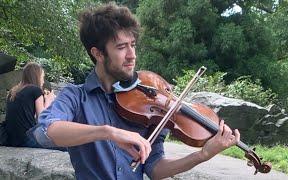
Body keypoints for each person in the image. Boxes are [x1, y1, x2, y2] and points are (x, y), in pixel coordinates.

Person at [30, 2, 240, 180]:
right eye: (121, 47)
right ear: (98, 53)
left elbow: (155, 168)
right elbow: (45, 133)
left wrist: (202, 155)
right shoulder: (75, 97)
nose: (132, 55)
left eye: (133, 45)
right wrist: (108, 132)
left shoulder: (150, 98)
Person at [4, 62, 55, 148]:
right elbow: (41, 118)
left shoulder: (13, 91)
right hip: (26, 139)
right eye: (42, 77)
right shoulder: (35, 90)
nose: (43, 81)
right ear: (36, 76)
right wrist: (49, 100)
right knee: (64, 144)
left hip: (11, 139)